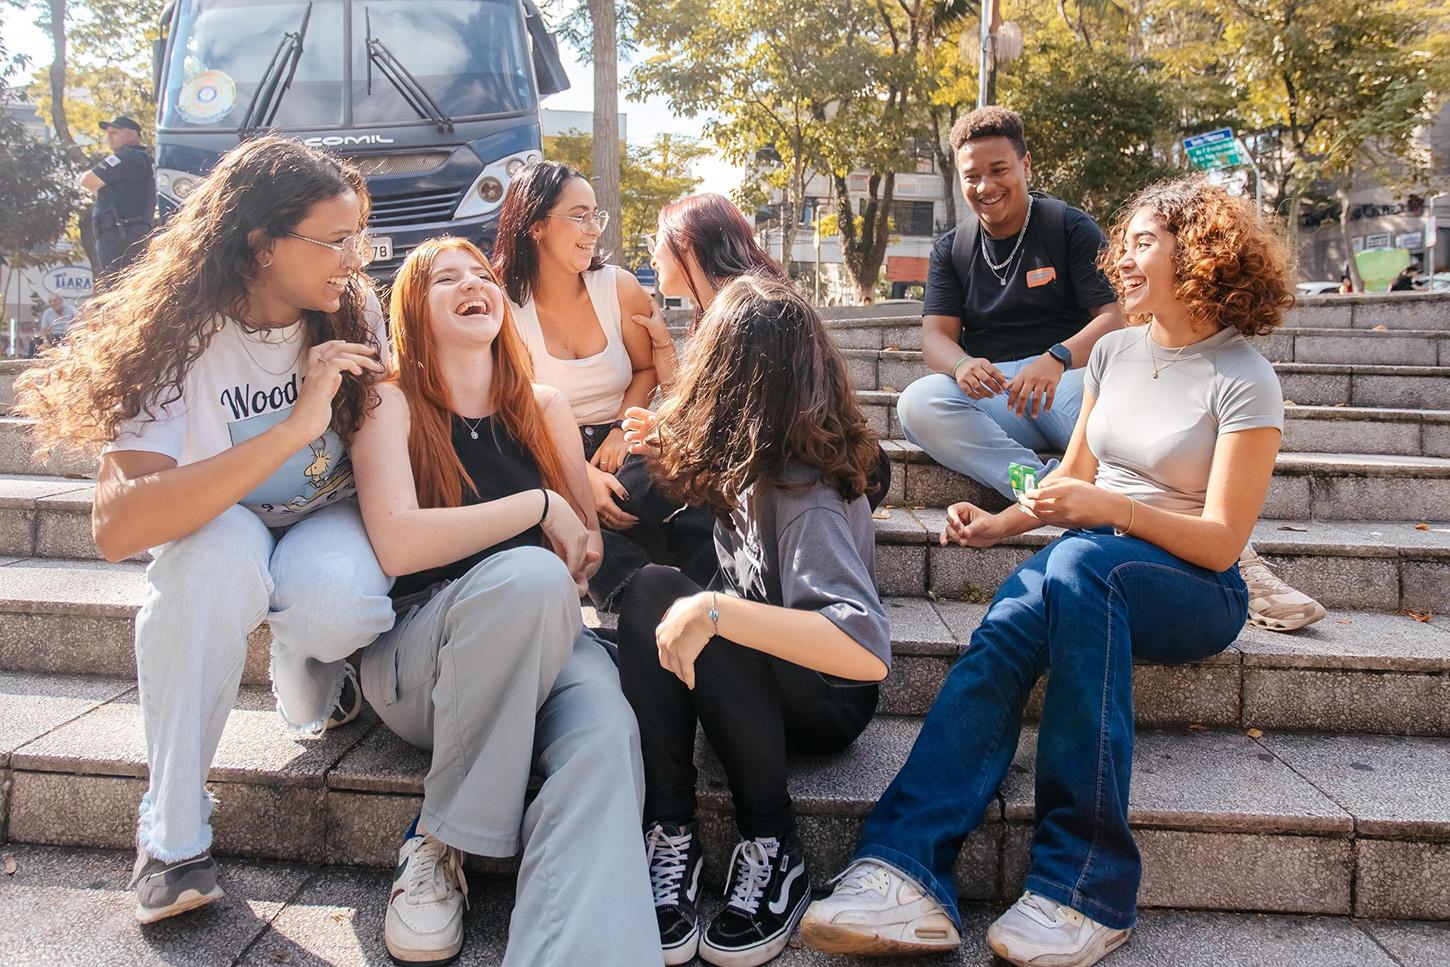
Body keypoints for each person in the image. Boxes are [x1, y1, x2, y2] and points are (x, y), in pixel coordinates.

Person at [801, 176, 1292, 967]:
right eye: (1124, 243)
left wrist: (1113, 511)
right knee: (1012, 621)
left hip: (1195, 587)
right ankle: (903, 866)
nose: (1121, 260)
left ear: (1200, 253)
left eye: (1143, 244)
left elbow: (1221, 542)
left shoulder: (1244, 376)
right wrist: (999, 524)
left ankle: (1085, 886)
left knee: (1081, 565)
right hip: (1092, 564)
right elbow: (1070, 477)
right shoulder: (1118, 352)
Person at [15, 136, 392, 923]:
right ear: (261, 243)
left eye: (357, 236)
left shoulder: (353, 306)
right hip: (221, 522)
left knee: (339, 605)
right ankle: (173, 833)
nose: (353, 258)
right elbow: (117, 526)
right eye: (334, 240)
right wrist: (292, 430)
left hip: (325, 515)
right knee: (208, 563)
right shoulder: (176, 332)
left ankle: (303, 661)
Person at [348, 237, 658, 966]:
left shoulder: (544, 408)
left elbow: (582, 551)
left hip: (546, 639)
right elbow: (397, 545)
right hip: (423, 659)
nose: (472, 284)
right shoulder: (388, 403)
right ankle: (439, 839)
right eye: (445, 278)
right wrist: (537, 507)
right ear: (412, 309)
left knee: (608, 732)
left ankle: (572, 950)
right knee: (528, 576)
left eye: (481, 274)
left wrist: (577, 546)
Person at [897, 106, 1321, 633]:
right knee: (920, 401)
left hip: (1071, 377)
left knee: (1118, 404)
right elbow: (934, 338)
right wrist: (961, 364)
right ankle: (1052, 494)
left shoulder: (1066, 226)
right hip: (1000, 392)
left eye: (998, 169)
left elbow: (1115, 317)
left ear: (1025, 165)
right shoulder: (953, 249)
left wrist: (1056, 358)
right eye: (972, 176)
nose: (986, 186)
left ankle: (1236, 558)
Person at [617, 276, 892, 967]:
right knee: (649, 591)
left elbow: (864, 649)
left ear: (729, 381)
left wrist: (717, 610)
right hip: (765, 679)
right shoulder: (755, 463)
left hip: (827, 699)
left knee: (709, 613)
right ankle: (670, 832)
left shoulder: (805, 493)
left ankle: (773, 845)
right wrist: (666, 439)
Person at [493, 161, 717, 610]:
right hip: (548, 453)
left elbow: (645, 369)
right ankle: (642, 596)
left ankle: (715, 592)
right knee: (560, 512)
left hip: (626, 439)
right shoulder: (504, 306)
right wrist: (579, 475)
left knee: (675, 482)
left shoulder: (618, 287)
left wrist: (619, 428)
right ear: (536, 225)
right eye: (579, 216)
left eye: (596, 215)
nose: (594, 229)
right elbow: (511, 411)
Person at [638, 192, 892, 505]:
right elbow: (705, 409)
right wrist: (662, 345)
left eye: (657, 242)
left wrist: (672, 437)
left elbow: (750, 427)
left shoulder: (752, 312)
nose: (653, 258)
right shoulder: (723, 305)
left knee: (638, 485)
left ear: (687, 242)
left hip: (785, 468)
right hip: (775, 460)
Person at [78, 116, 157, 285]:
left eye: (115, 132)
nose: (109, 137)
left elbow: (87, 181)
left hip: (120, 236)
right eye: (108, 133)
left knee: (117, 287)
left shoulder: (126, 157)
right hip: (131, 233)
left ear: (133, 135)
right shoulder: (143, 158)